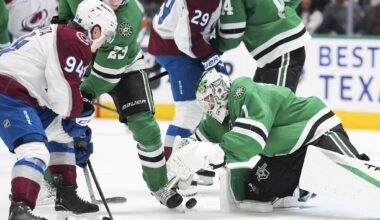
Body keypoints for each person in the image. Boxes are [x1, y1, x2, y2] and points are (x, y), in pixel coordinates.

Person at [166, 69, 372, 211]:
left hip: (314, 130)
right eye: (204, 104)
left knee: (354, 175)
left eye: (209, 100)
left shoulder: (243, 92)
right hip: (286, 151)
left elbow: (251, 140)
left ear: (220, 92)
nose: (208, 107)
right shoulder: (214, 120)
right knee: (257, 192)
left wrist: (214, 154)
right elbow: (196, 142)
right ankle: (304, 187)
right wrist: (178, 166)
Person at [56, 0, 183, 208]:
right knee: (60, 125)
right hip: (81, 62)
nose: (115, 1)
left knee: (146, 128)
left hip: (123, 68)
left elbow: (106, 77)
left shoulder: (128, 19)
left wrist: (82, 96)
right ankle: (52, 182)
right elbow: (62, 19)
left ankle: (160, 185)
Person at [0, 0, 117, 219]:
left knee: (61, 133)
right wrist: (77, 117)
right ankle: (20, 208)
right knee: (35, 150)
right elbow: (64, 94)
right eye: (106, 35)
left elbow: (60, 94)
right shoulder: (77, 40)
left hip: (20, 92)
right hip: (9, 92)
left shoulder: (64, 34)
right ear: (95, 28)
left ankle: (66, 194)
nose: (104, 42)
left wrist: (74, 121)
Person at [147, 0, 228, 185]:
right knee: (189, 111)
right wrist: (210, 58)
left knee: (202, 107)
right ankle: (169, 171)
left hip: (170, 42)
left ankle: (196, 163)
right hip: (176, 48)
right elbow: (187, 39)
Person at [216, 0, 310, 93]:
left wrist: (211, 48)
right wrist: (281, 13)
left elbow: (232, 34)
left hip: (282, 48)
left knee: (275, 105)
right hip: (279, 48)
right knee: (259, 104)